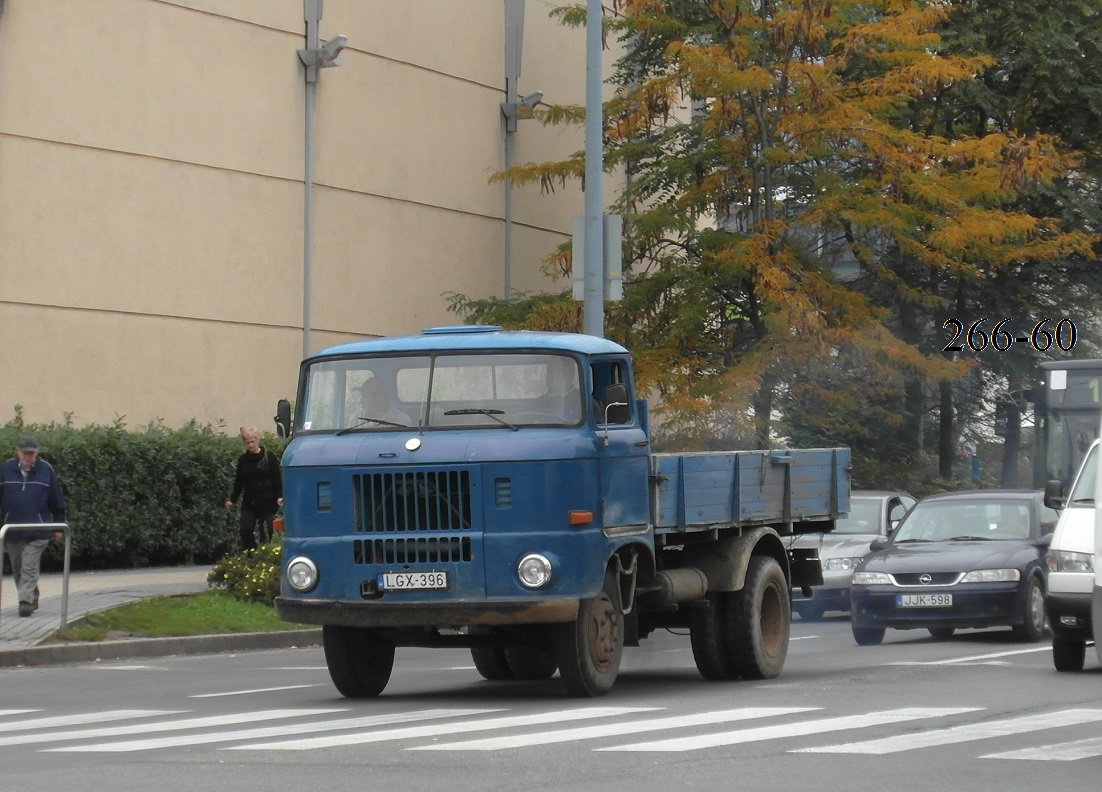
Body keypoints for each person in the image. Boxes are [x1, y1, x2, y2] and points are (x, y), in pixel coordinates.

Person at [0, 435, 66, 617]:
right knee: (18, 568)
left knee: (29, 566)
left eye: (31, 454)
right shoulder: (6, 469)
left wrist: (59, 525)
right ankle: (31, 596)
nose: (28, 457)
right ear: (17, 452)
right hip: (12, 529)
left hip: (38, 529)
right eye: (24, 453)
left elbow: (56, 499)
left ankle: (25, 603)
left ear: (36, 454)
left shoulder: (46, 471)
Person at [224, 427, 283, 551]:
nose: (250, 445)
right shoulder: (243, 460)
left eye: (252, 442)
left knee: (266, 533)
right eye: (247, 442)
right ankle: (252, 555)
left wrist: (279, 496)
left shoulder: (269, 457)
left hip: (268, 502)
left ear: (257, 440)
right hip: (249, 502)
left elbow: (276, 478)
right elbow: (239, 481)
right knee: (245, 530)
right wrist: (232, 500)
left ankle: (264, 557)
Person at [543, 356, 583, 422]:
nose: (549, 375)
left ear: (569, 375)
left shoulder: (584, 401)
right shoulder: (539, 402)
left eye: (555, 371)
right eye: (549, 370)